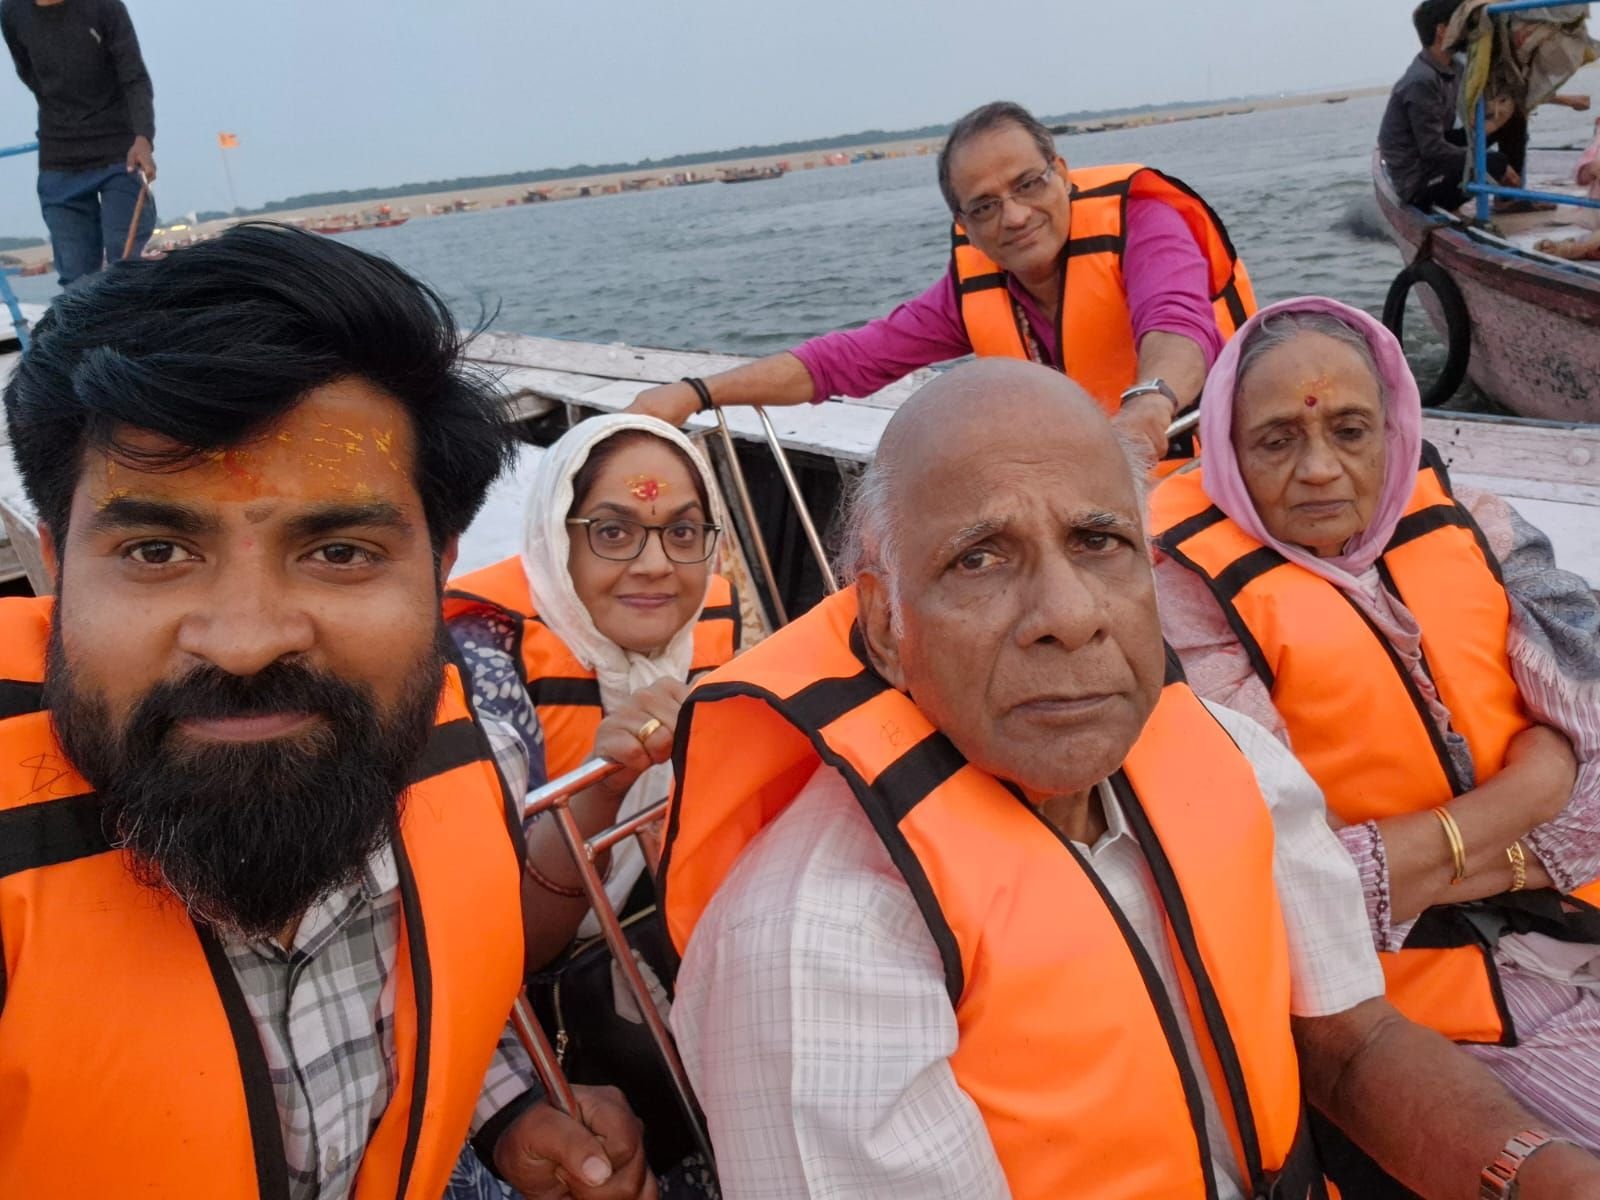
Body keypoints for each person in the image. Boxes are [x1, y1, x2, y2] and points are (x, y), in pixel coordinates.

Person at [654, 358, 1600, 1199]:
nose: (1068, 616)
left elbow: (1352, 1045)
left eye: (1098, 541)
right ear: (888, 626)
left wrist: (1530, 1174)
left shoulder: (1228, 757)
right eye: (979, 559)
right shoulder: (814, 943)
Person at [0, 224, 655, 1200]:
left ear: (438, 575)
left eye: (340, 552)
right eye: (155, 552)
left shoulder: (469, 727)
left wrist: (507, 1111)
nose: (247, 639)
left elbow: (422, 971)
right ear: (55, 569)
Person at [1149, 296, 1600, 1192]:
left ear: (1394, 430)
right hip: (1420, 1016)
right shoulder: (1180, 601)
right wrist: (1534, 792)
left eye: (1352, 431)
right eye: (1276, 441)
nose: (1321, 469)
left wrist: (1432, 850)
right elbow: (1289, 896)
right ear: (1227, 453)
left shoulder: (1477, 523)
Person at [444, 413, 740, 1195]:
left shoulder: (714, 630)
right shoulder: (482, 668)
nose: (654, 566)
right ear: (557, 538)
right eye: (612, 532)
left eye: (683, 533)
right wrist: (602, 788)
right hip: (531, 1012)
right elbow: (510, 952)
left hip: (665, 944)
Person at [628, 100, 1255, 462]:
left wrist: (1148, 405)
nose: (1013, 216)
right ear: (964, 223)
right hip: (1109, 488)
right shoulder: (974, 286)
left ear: (1062, 172)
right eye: (983, 206)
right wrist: (695, 392)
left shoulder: (1145, 221)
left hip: (1217, 463)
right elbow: (848, 360)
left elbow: (1176, 321)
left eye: (1028, 185)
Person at [1, 0, 158, 286]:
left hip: (119, 154)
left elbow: (134, 77)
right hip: (59, 158)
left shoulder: (105, 6)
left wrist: (143, 138)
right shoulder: (11, 11)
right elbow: (29, 73)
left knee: (126, 269)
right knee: (76, 281)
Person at [1379, 0, 1589, 213]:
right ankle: (1485, 189)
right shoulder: (1421, 81)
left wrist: (1498, 121)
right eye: (1461, 23)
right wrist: (1492, 161)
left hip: (1434, 153)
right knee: (1493, 163)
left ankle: (1507, 200)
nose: (1468, 30)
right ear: (1442, 31)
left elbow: (1490, 106)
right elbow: (1432, 149)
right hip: (1418, 179)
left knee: (1513, 117)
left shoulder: (1453, 68)